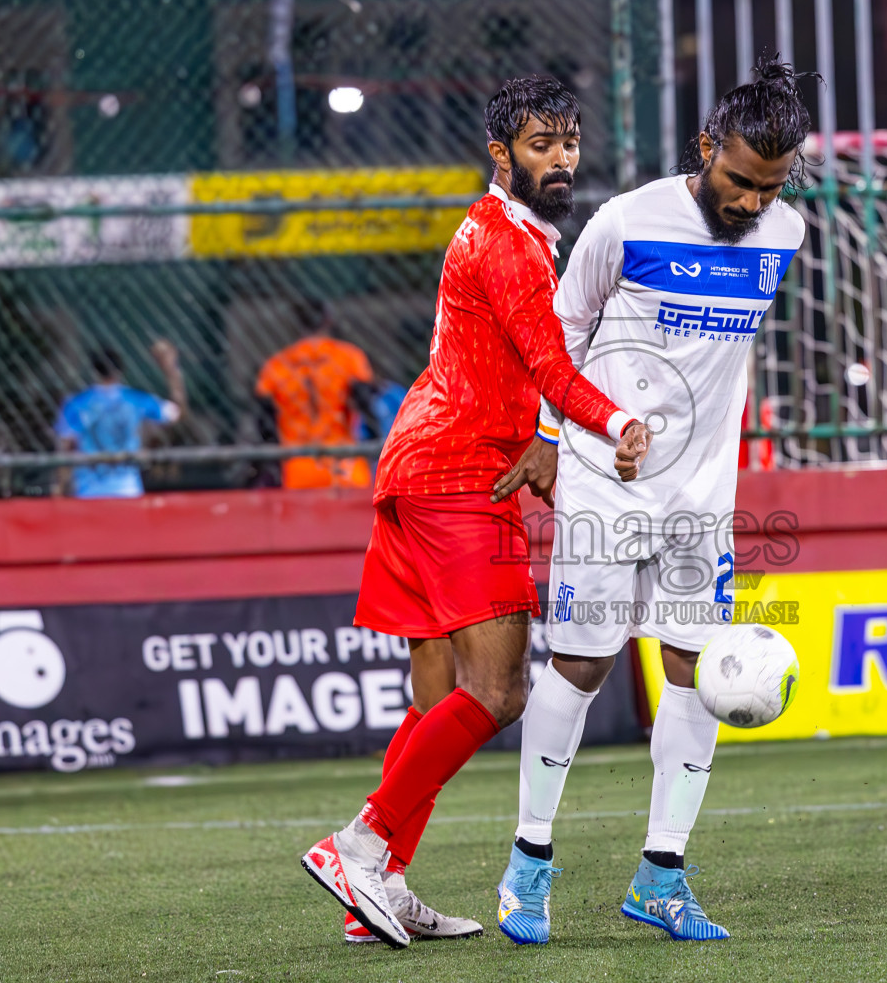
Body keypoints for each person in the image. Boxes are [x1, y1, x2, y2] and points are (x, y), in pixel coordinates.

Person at [299, 74, 652, 950]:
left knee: (434, 703)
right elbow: (556, 375)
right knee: (497, 690)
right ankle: (361, 844)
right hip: (460, 476)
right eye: (541, 145)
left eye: (568, 141)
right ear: (502, 154)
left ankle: (374, 890)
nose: (562, 159)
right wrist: (618, 425)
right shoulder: (512, 248)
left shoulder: (501, 232)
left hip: (416, 465)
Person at [488, 59, 811, 944]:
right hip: (605, 478)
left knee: (697, 678)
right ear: (706, 147)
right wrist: (557, 439)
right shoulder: (624, 222)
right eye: (739, 180)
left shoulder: (788, 232)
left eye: (768, 188)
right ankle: (528, 863)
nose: (750, 203)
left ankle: (661, 876)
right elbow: (563, 335)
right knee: (583, 667)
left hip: (704, 498)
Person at [255, 298, 378, 490]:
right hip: (345, 464)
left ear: (297, 324)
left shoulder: (276, 365)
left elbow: (265, 425)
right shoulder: (349, 357)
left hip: (296, 468)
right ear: (328, 320)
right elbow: (367, 407)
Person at [54, 340, 186, 499]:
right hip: (127, 491)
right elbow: (176, 412)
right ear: (120, 371)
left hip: (89, 493)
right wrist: (171, 370)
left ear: (94, 371)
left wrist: (59, 487)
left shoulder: (76, 404)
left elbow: (66, 447)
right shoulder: (134, 400)